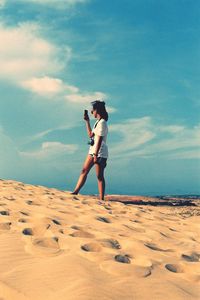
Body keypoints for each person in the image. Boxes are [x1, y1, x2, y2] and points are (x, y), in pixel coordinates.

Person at [70, 100, 109, 200]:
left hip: (99, 153)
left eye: (93, 110)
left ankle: (101, 199)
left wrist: (96, 155)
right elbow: (91, 135)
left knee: (99, 176)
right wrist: (87, 121)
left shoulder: (103, 123)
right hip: (93, 151)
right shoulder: (98, 122)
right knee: (84, 170)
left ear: (97, 110)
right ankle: (75, 191)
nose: (92, 112)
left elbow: (99, 139)